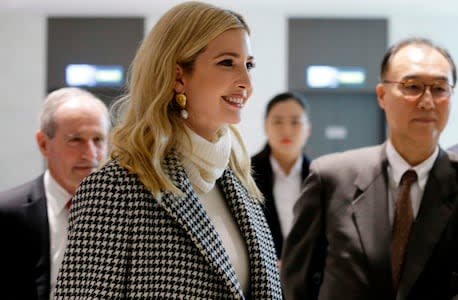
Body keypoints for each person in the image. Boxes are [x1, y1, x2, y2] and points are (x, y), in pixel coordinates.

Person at [54, 2, 282, 299]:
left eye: (248, 65)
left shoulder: (240, 184)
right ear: (178, 76)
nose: (246, 83)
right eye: (227, 62)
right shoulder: (114, 189)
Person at [281, 37, 458, 300]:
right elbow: (297, 282)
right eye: (412, 86)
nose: (427, 101)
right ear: (382, 95)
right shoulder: (330, 177)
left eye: (440, 88)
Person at [0, 87, 109, 300]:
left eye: (98, 139)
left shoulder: (127, 213)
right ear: (43, 144)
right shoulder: (6, 214)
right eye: (75, 140)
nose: (91, 154)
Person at [251, 91, 311, 260]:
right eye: (277, 121)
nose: (286, 130)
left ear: (308, 129)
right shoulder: (245, 174)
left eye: (295, 122)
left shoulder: (320, 176)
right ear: (265, 126)